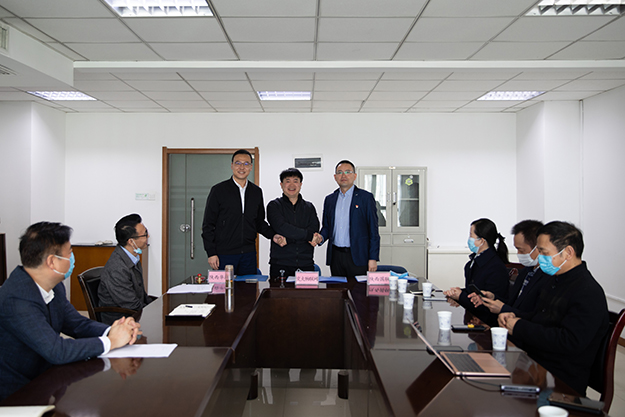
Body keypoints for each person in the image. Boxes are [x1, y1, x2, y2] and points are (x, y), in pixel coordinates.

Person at [0, 222, 141, 401]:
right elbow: (57, 351)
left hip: (47, 382)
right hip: (17, 394)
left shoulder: (54, 286)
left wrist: (113, 330)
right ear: (52, 261)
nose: (72, 257)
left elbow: (77, 324)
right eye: (69, 253)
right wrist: (111, 341)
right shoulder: (17, 298)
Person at [499, 221, 609, 395]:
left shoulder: (588, 292)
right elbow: (541, 317)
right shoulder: (554, 280)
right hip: (536, 364)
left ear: (568, 252)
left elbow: (569, 342)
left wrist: (519, 326)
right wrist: (514, 317)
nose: (540, 258)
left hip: (561, 381)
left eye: (544, 253)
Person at [201, 149, 286, 276]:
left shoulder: (256, 192)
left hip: (248, 255)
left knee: (248, 288)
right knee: (223, 288)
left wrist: (273, 235)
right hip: (224, 254)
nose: (242, 167)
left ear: (251, 167)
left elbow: (259, 222)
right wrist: (211, 253)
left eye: (246, 164)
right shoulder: (218, 190)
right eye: (238, 163)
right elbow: (208, 225)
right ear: (232, 166)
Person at [315, 160, 380, 279]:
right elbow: (327, 227)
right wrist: (321, 237)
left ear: (354, 176)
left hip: (358, 256)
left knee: (358, 290)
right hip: (336, 256)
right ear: (335, 177)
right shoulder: (330, 199)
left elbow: (373, 230)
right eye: (339, 172)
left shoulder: (365, 198)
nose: (343, 175)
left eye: (347, 172)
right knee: (338, 289)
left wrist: (373, 258)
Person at [469, 220, 548, 316]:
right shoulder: (525, 272)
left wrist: (503, 309)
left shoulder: (547, 278)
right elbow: (513, 304)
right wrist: (493, 298)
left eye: (521, 250)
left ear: (538, 248)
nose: (518, 254)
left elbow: (536, 316)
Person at [444, 218, 509, 323]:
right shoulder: (475, 260)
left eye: (471, 235)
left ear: (481, 241)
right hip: (473, 316)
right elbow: (472, 291)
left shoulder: (495, 267)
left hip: (486, 321)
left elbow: (487, 302)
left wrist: (461, 296)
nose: (469, 239)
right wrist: (458, 293)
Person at [98, 214, 154, 325]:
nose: (148, 236)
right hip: (120, 321)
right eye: (144, 234)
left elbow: (141, 296)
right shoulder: (117, 268)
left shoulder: (133, 258)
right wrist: (154, 313)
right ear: (131, 241)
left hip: (133, 314)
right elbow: (131, 304)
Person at [266, 168, 320, 279]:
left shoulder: (309, 207)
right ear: (281, 185)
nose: (292, 185)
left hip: (306, 263)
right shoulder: (274, 206)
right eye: (287, 181)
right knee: (278, 291)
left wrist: (289, 239)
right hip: (280, 264)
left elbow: (314, 230)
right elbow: (282, 227)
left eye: (295, 181)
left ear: (300, 184)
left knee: (308, 292)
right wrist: (308, 236)